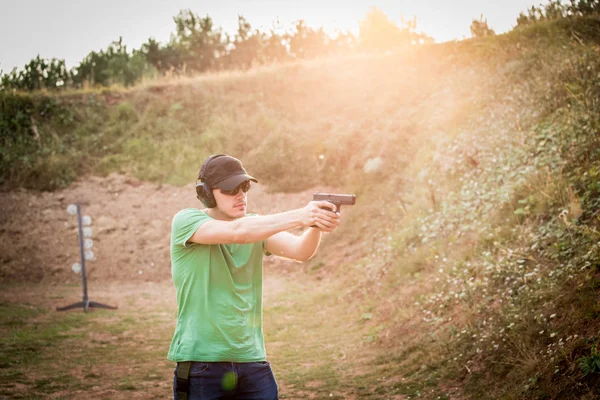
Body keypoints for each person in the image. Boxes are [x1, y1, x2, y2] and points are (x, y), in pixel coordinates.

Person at [168, 154, 341, 400]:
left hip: (252, 360)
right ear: (207, 193)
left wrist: (315, 224)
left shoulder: (255, 225)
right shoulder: (187, 221)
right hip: (202, 362)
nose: (240, 195)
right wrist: (301, 215)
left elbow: (300, 251)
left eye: (244, 187)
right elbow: (239, 233)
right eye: (231, 189)